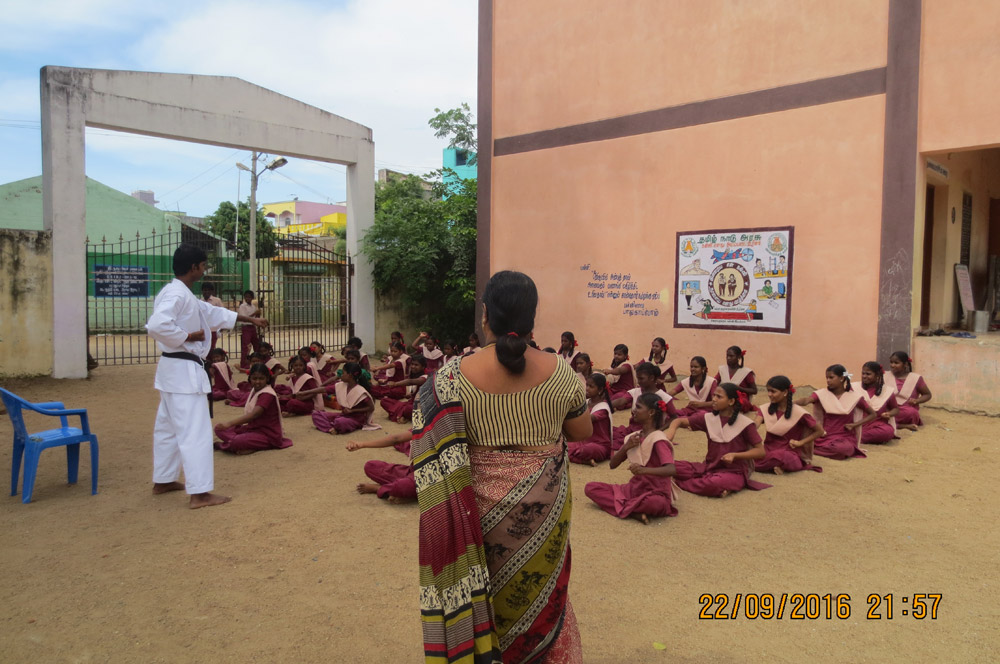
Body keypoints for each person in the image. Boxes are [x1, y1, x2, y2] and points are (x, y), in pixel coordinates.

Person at [412, 270, 589, 663]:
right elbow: (581, 430)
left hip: (478, 512)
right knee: (539, 588)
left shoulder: (451, 378)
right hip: (544, 509)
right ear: (532, 316)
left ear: (486, 314)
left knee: (485, 587)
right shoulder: (561, 372)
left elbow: (428, 446)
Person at [145, 243, 267, 509]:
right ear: (194, 267)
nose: (204, 270)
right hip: (184, 372)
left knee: (166, 429)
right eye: (203, 266)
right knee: (195, 432)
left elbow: (213, 313)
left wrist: (252, 321)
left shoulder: (179, 293)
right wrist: (189, 336)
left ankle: (163, 480)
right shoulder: (177, 295)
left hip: (172, 373)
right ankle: (199, 493)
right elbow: (156, 325)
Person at [584, 393, 678, 523]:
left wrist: (643, 471)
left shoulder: (658, 439)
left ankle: (628, 508)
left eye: (638, 407)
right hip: (634, 489)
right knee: (591, 488)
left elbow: (671, 469)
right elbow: (612, 465)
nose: (634, 410)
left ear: (650, 412)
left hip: (655, 492)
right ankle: (634, 512)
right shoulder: (633, 437)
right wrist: (626, 447)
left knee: (655, 503)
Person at [665, 383, 769, 497]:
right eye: (714, 395)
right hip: (708, 467)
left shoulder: (745, 423)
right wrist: (671, 431)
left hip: (734, 472)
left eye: (719, 397)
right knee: (669, 466)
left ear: (731, 401)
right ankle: (717, 486)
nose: (713, 399)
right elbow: (679, 421)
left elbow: (760, 452)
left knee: (713, 484)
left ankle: (678, 483)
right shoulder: (708, 418)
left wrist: (735, 455)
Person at [795, 364, 876, 460]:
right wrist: (792, 403)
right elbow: (806, 400)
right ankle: (816, 449)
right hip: (823, 435)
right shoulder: (822, 394)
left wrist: (854, 425)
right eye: (827, 378)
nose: (828, 380)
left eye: (831, 377)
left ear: (841, 378)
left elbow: (873, 414)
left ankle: (813, 450)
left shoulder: (855, 397)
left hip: (844, 437)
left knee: (843, 449)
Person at [213, 363, 292, 454]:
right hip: (253, 428)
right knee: (219, 429)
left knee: (237, 440)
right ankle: (242, 444)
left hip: (267, 434)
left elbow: (254, 414)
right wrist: (227, 425)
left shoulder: (267, 394)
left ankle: (231, 444)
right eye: (254, 379)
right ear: (250, 379)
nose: (257, 381)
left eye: (261, 378)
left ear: (267, 379)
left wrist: (229, 423)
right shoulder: (254, 390)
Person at [754, 376, 824, 474]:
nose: (769, 394)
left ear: (785, 392)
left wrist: (801, 443)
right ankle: (774, 466)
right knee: (753, 453)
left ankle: (766, 465)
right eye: (768, 391)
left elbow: (819, 431)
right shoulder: (765, 409)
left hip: (789, 453)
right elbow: (755, 424)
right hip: (768, 450)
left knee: (783, 456)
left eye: (773, 391)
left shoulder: (799, 412)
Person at [611, 363, 676, 452]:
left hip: (649, 431)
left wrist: (659, 430)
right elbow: (621, 401)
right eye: (638, 378)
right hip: (632, 429)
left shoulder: (664, 397)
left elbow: (674, 417)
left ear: (652, 378)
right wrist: (604, 405)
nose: (638, 381)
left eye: (641, 378)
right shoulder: (635, 392)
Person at [311, 362, 378, 434]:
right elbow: (324, 389)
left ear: (349, 375)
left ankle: (335, 426)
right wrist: (305, 392)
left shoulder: (360, 391)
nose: (341, 375)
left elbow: (371, 407)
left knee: (340, 422)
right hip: (343, 415)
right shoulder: (342, 385)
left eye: (343, 373)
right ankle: (331, 428)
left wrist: (353, 411)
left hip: (356, 419)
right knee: (316, 414)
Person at [351, 432, 417, 504]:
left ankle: (379, 488)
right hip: (413, 471)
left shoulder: (430, 424)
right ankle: (399, 491)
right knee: (371, 466)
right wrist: (362, 444)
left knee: (402, 486)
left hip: (426, 477)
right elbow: (396, 438)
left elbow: (397, 439)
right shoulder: (421, 424)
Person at [567, 373, 615, 465]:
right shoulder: (586, 402)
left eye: (591, 386)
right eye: (587, 385)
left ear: (600, 390)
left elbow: (586, 419)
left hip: (599, 445)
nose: (587, 388)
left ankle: (575, 457)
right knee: (561, 444)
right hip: (582, 441)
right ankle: (583, 460)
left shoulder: (603, 408)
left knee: (586, 450)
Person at [889, 351, 932, 429]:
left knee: (911, 413)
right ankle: (901, 425)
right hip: (889, 408)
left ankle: (894, 424)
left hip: (905, 409)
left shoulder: (915, 378)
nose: (892, 365)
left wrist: (917, 401)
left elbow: (927, 395)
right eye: (891, 362)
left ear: (905, 364)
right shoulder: (885, 376)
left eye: (896, 363)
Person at [859, 361, 900, 444]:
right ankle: (856, 436)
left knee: (887, 432)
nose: (864, 376)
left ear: (877, 375)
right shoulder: (855, 388)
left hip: (876, 424)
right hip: (857, 423)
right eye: (863, 373)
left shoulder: (886, 391)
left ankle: (856, 437)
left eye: (868, 374)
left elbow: (896, 409)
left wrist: (889, 414)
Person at [379, 355, 428, 423]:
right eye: (412, 364)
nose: (413, 366)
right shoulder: (412, 375)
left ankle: (399, 415)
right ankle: (402, 415)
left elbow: (410, 382)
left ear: (423, 367)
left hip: (419, 406)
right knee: (384, 401)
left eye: (416, 365)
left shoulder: (425, 377)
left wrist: (395, 384)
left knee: (408, 409)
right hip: (410, 403)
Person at [237, 290, 261, 369]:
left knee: (256, 344)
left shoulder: (253, 307)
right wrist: (254, 313)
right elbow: (245, 318)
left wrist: (257, 314)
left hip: (252, 327)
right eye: (246, 297)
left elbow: (255, 319)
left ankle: (257, 360)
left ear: (252, 298)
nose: (247, 298)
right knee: (246, 346)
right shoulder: (243, 306)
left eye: (249, 297)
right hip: (246, 327)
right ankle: (244, 363)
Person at [201, 282, 225, 348]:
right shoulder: (200, 302)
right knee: (203, 347)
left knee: (211, 347)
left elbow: (222, 313)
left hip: (213, 329)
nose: (206, 292)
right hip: (203, 329)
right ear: (202, 291)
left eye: (208, 290)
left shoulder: (217, 301)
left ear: (212, 291)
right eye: (205, 290)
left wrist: (221, 326)